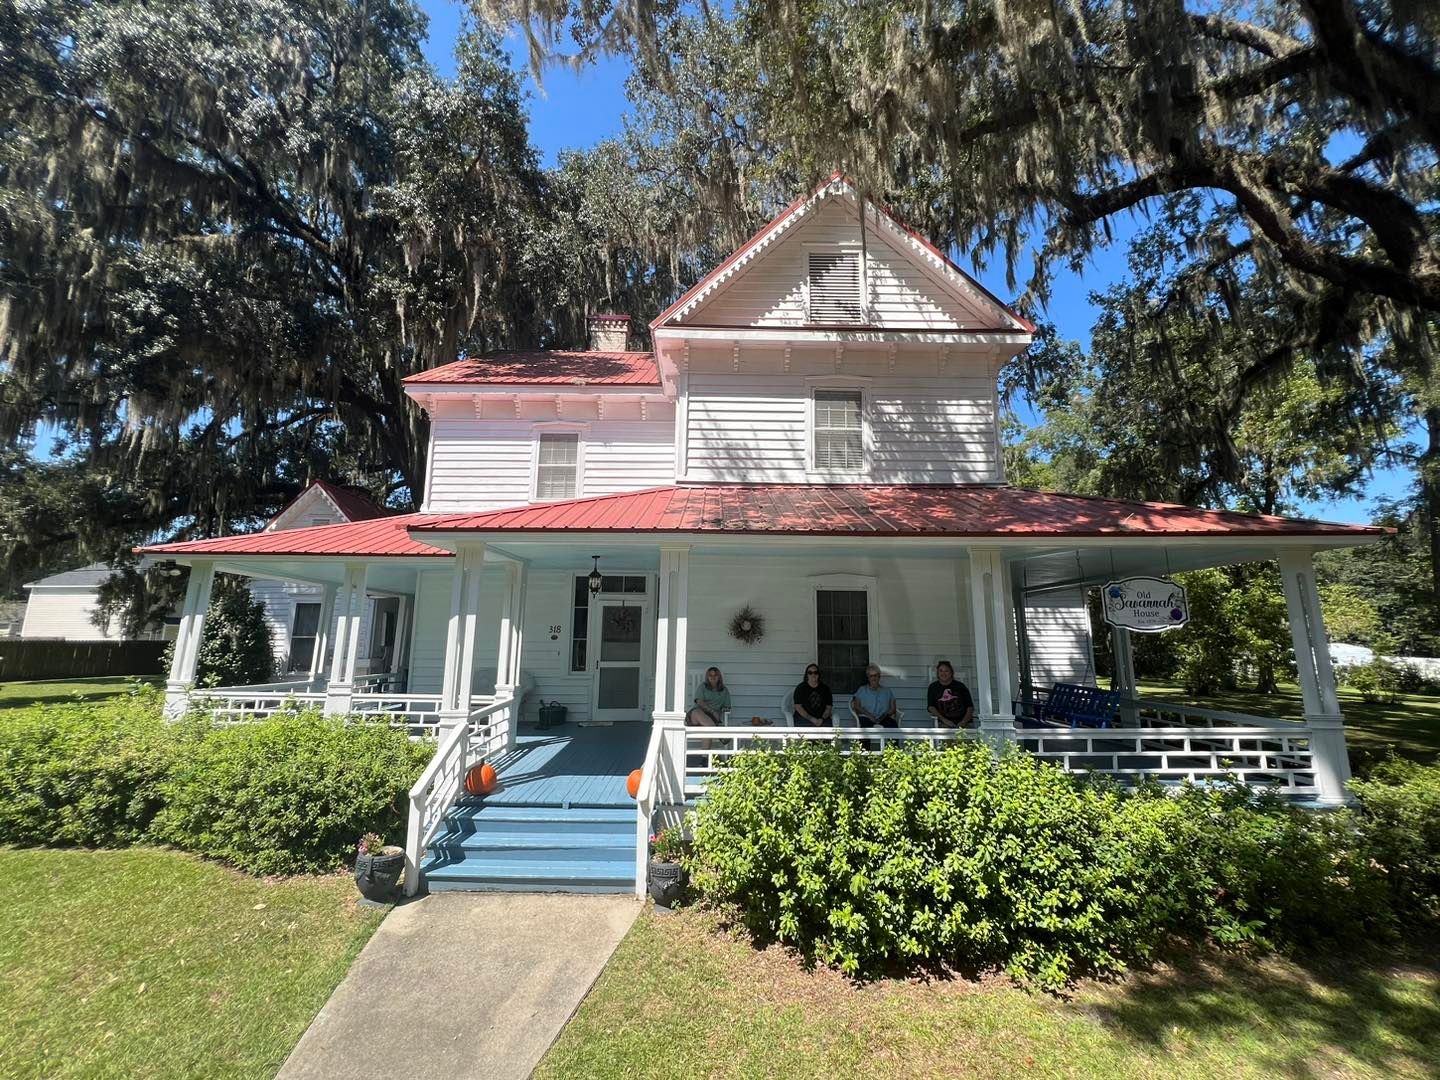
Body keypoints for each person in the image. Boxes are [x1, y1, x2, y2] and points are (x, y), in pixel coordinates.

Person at [926, 660, 974, 728]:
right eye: (941, 671)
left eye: (946, 671)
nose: (943, 673)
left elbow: (970, 707)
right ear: (937, 673)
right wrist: (945, 720)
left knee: (965, 733)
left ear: (951, 673)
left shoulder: (960, 686)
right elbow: (931, 707)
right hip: (944, 723)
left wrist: (964, 721)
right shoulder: (933, 687)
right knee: (945, 732)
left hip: (963, 722)